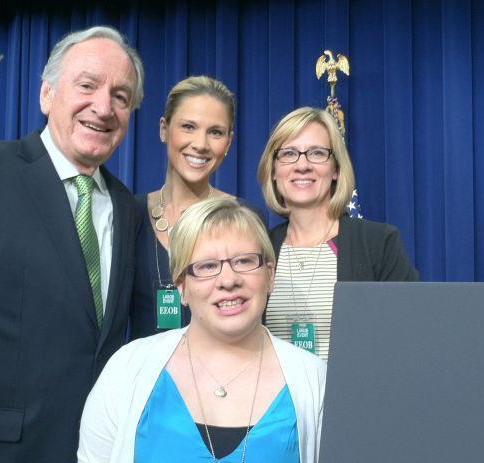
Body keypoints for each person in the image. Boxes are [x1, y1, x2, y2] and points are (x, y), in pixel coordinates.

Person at [0, 26, 144, 463]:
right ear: (47, 95)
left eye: (121, 96)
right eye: (87, 85)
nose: (103, 107)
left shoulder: (128, 208)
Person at [78, 198, 326, 463]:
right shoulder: (126, 369)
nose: (228, 280)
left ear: (270, 275)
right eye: (207, 266)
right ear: (181, 286)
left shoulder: (317, 381)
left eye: (243, 261)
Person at [257, 107, 418, 360]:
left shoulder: (379, 243)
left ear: (335, 169)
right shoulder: (257, 248)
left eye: (317, 153)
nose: (302, 165)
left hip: (356, 397)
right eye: (289, 154)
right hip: (277, 399)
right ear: (274, 170)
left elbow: (410, 333)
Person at [131, 76, 260, 339]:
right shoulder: (128, 214)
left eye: (215, 132)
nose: (200, 144)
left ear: (229, 141)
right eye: (189, 127)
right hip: (148, 377)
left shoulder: (246, 218)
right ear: (163, 129)